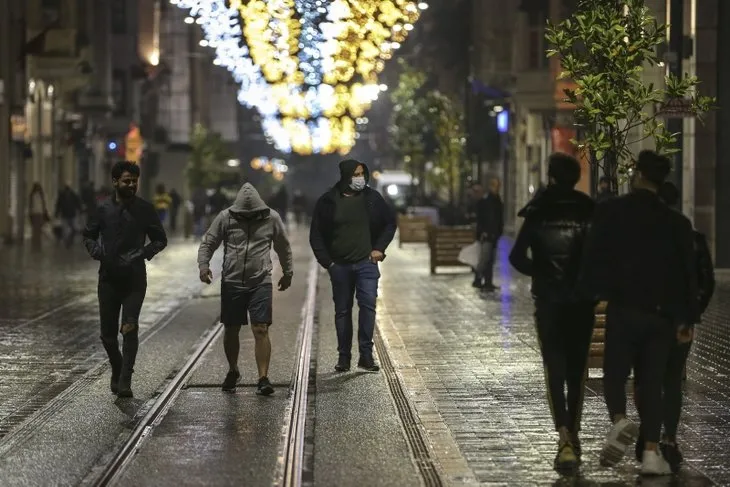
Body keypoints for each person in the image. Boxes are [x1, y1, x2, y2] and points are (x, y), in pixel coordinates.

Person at [578, 150, 698, 476]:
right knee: (651, 382)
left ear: (639, 175)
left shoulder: (611, 212)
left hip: (624, 308)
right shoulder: (676, 223)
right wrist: (685, 319)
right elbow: (686, 274)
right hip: (660, 316)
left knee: (615, 373)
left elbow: (593, 257)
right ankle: (650, 453)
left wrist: (591, 294)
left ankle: (619, 418)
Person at [509, 153, 596, 471]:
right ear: (575, 177)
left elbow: (517, 257)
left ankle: (562, 435)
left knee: (555, 369)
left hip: (549, 302)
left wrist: (543, 272)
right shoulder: (588, 209)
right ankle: (574, 432)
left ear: (550, 176)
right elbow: (598, 257)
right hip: (581, 303)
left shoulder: (538, 210)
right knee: (577, 372)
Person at [633, 181, 715, 472]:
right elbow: (707, 282)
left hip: (650, 320)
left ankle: (650, 435)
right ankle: (667, 438)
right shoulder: (691, 237)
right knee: (672, 381)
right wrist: (692, 314)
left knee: (648, 379)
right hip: (680, 321)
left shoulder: (644, 238)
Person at [197, 183, 293, 395]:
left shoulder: (272, 218)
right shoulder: (225, 217)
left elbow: (283, 246)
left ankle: (263, 378)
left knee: (261, 328)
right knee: (231, 329)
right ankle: (233, 370)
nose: (248, 217)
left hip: (260, 281)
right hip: (232, 281)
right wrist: (204, 266)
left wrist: (288, 272)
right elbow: (208, 242)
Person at [82, 161, 167, 398]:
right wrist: (96, 251)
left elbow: (160, 239)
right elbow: (88, 234)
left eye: (134, 181)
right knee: (107, 335)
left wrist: (143, 253)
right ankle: (117, 367)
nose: (131, 185)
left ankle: (126, 380)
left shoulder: (145, 209)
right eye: (126, 180)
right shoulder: (102, 209)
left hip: (134, 279)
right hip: (108, 278)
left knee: (129, 328)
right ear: (115, 181)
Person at [309, 159, 396, 372]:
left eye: (362, 173)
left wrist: (379, 248)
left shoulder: (372, 198)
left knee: (368, 307)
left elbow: (389, 223)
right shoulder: (328, 201)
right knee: (343, 311)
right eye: (356, 174)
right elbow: (316, 235)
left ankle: (366, 355)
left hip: (366, 263)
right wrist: (328, 262)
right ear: (346, 175)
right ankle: (344, 357)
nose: (360, 178)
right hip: (340, 266)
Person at [474, 177, 504, 291]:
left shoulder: (497, 200)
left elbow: (498, 218)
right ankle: (477, 279)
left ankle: (488, 281)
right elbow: (483, 218)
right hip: (487, 234)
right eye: (495, 185)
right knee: (485, 258)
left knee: (491, 259)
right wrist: (483, 232)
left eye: (498, 185)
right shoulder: (487, 201)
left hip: (494, 234)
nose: (497, 188)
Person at [55, 183, 83, 248]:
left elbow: (78, 203)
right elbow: (58, 205)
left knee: (73, 228)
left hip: (72, 214)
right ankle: (67, 241)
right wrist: (56, 213)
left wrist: (80, 210)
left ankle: (70, 239)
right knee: (65, 229)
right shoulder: (62, 195)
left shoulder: (73, 195)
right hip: (65, 214)